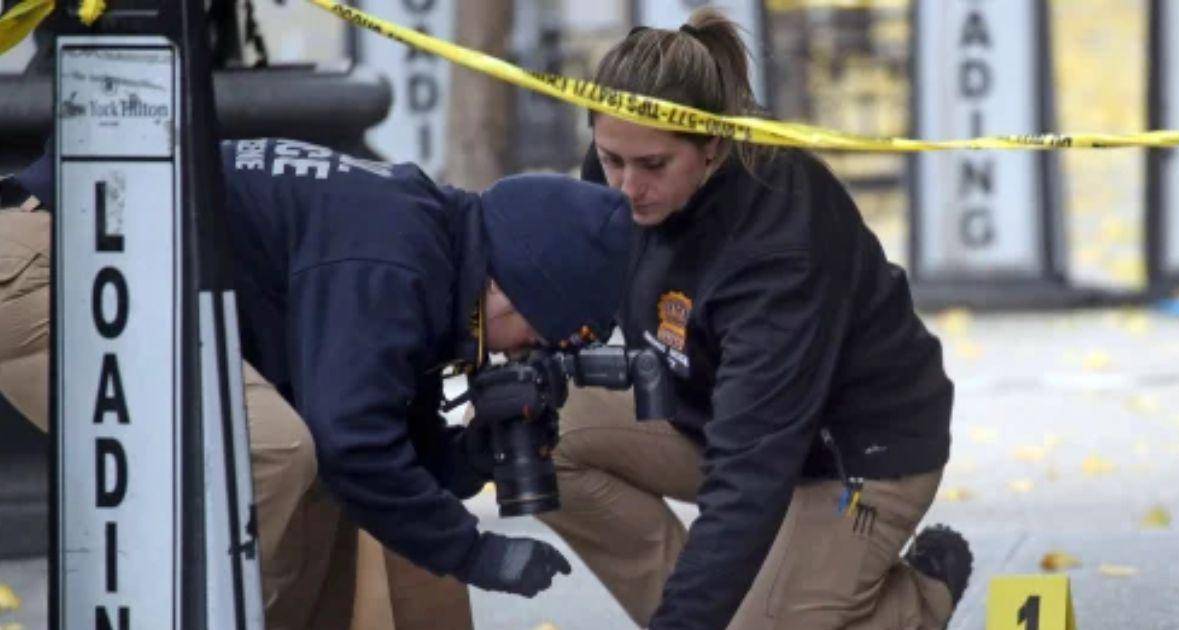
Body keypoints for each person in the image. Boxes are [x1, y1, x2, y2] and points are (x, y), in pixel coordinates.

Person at [0, 137, 632, 628]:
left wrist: (473, 454)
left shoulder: (428, 250)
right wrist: (475, 553)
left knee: (323, 484)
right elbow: (349, 442)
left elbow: (378, 450)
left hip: (104, 265)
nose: (522, 354)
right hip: (52, 261)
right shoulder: (394, 254)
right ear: (511, 285)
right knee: (273, 449)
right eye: (537, 337)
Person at [536, 10, 973, 630]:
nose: (626, 189)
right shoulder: (629, 166)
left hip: (852, 455)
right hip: (713, 413)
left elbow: (749, 471)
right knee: (532, 428)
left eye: (653, 166)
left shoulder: (778, 251)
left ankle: (917, 601)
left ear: (712, 146)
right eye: (611, 159)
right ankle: (729, 605)